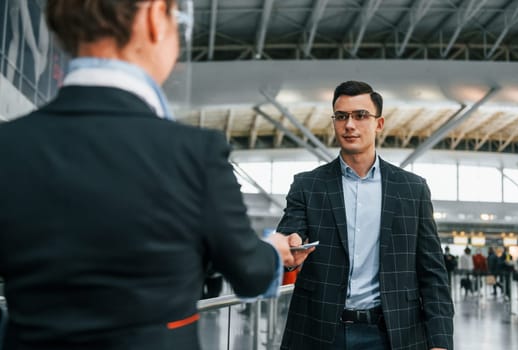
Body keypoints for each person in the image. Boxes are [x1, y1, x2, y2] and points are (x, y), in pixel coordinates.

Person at [0, 1, 313, 349]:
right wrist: (274, 249)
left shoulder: (9, 146)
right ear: (153, 17)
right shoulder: (194, 153)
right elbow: (250, 273)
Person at [277, 81, 454, 350]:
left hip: (394, 334)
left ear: (379, 124)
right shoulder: (308, 185)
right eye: (341, 116)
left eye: (360, 115)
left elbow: (432, 271)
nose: (350, 125)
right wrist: (290, 248)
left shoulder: (411, 189)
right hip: (320, 331)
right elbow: (291, 231)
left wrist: (440, 340)